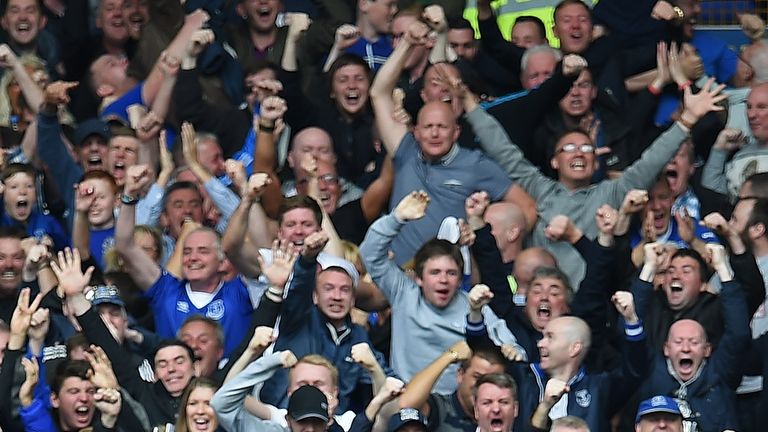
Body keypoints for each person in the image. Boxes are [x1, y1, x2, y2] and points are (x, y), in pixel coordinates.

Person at [478, 73, 726, 285]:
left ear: (596, 162)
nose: (578, 153)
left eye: (587, 150)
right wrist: (469, 105)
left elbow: (652, 160)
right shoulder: (540, 188)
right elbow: (502, 150)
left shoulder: (611, 193)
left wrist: (688, 120)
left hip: (591, 310)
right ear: (554, 161)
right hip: (540, 310)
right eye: (569, 149)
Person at [370, 22, 537, 264]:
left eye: (442, 127)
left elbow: (528, 208)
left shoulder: (476, 164)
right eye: (428, 127)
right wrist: (407, 42)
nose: (435, 133)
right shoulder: (405, 150)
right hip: (400, 278)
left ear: (456, 131)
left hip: (451, 280)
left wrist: (493, 258)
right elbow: (379, 93)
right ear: (416, 131)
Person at [361, 191, 523, 394]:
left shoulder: (472, 306)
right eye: (435, 272)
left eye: (451, 273)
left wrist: (511, 350)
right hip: (408, 402)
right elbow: (370, 254)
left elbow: (511, 346)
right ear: (419, 278)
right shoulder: (404, 293)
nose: (443, 280)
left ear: (459, 279)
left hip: (457, 407)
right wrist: (397, 218)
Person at [115, 165, 255, 355]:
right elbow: (125, 246)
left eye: (203, 251)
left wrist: (247, 197)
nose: (192, 258)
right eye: (187, 251)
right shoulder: (166, 291)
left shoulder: (240, 291)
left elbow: (245, 241)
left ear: (222, 261)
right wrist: (129, 194)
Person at [260, 230, 390, 413]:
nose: (337, 297)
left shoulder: (358, 336)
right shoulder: (298, 318)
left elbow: (384, 376)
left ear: (353, 299)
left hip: (331, 422)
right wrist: (307, 260)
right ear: (315, 296)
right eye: (328, 289)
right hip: (283, 418)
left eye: (344, 290)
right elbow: (299, 290)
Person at [638, 244, 749, 432]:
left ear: (707, 349)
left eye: (694, 342)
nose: (686, 348)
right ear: (666, 348)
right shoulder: (653, 371)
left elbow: (739, 333)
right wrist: (648, 268)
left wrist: (723, 268)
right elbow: (631, 330)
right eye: (678, 342)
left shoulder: (719, 372)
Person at [398, 341, 505, 432]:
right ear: (460, 375)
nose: (483, 386)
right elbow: (407, 404)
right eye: (477, 377)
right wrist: (450, 355)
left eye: (492, 380)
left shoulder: (503, 416)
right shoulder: (441, 408)